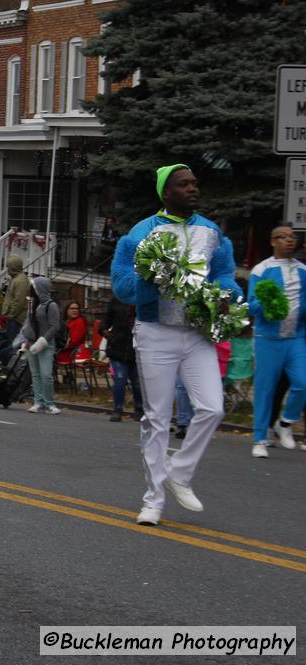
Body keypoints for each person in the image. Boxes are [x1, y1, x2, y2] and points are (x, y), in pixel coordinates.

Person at [111, 164, 241, 526]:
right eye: (184, 184)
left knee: (212, 409)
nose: (193, 189)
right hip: (156, 332)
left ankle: (179, 473)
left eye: (195, 183)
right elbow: (121, 284)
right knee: (156, 418)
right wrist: (148, 280)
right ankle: (153, 500)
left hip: (198, 333)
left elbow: (225, 274)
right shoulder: (142, 233)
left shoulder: (211, 231)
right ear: (166, 192)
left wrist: (228, 294)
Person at [248, 225, 306, 459]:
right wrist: (267, 303)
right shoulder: (261, 269)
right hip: (267, 339)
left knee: (303, 383)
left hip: (296, 338)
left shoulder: (303, 270)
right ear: (273, 242)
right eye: (283, 237)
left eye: (292, 237)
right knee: (265, 390)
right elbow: (251, 305)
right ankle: (260, 439)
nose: (290, 241)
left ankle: (286, 422)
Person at [21, 277, 61, 414]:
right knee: (36, 374)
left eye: (34, 288)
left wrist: (43, 341)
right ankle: (38, 402)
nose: (32, 290)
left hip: (46, 345)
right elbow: (29, 324)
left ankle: (49, 403)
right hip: (32, 344)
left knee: (46, 374)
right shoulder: (33, 304)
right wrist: (26, 341)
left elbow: (55, 326)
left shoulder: (51, 306)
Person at [100, 296, 143, 422]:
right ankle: (117, 409)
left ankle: (139, 408)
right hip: (118, 345)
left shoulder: (142, 298)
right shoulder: (116, 299)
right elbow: (107, 318)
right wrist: (105, 331)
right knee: (120, 379)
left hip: (137, 347)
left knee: (137, 382)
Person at [0, 254, 31, 338]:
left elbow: (18, 301)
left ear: (13, 267)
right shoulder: (15, 279)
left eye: (8, 267)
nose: (7, 270)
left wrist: (11, 315)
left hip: (17, 319)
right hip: (13, 318)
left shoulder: (21, 281)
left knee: (13, 343)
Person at [55, 301, 90, 366]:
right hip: (63, 352)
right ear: (66, 310)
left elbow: (74, 341)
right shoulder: (66, 321)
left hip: (71, 354)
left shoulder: (79, 321)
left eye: (77, 309)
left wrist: (58, 346)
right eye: (72, 308)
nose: (75, 310)